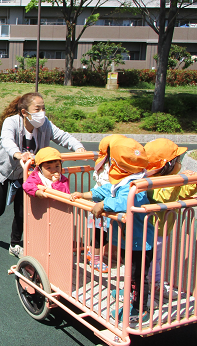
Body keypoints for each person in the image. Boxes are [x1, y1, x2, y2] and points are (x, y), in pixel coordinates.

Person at [0, 92, 85, 258]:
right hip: (3, 169)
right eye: (37, 109)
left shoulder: (45, 124)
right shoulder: (11, 122)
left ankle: (15, 244)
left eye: (44, 108)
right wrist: (19, 155)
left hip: (25, 173)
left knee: (22, 210)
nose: (42, 113)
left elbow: (62, 136)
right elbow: (6, 140)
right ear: (24, 112)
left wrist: (78, 148)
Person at [70, 137, 154, 325]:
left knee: (138, 277)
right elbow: (108, 189)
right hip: (129, 240)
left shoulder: (137, 185)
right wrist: (87, 195)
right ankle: (130, 294)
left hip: (139, 242)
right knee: (131, 272)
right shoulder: (127, 179)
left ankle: (139, 309)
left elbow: (124, 201)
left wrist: (103, 204)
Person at [144, 138, 196, 300]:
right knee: (154, 260)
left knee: (155, 259)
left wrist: (192, 182)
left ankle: (153, 283)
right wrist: (179, 181)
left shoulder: (168, 180)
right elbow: (165, 196)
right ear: (167, 164)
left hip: (161, 229)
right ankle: (154, 285)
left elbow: (179, 194)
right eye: (178, 160)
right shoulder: (150, 181)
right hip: (152, 230)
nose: (180, 163)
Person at [87, 134, 126, 273]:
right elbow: (106, 186)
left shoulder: (119, 166)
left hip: (111, 205)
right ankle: (94, 256)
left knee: (110, 233)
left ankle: (96, 252)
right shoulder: (105, 166)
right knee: (100, 234)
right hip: (101, 205)